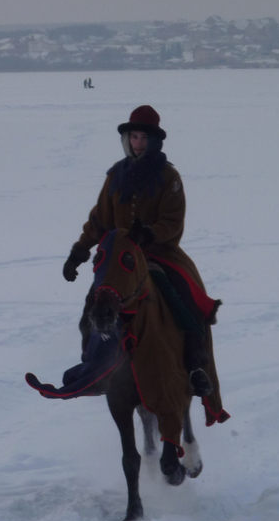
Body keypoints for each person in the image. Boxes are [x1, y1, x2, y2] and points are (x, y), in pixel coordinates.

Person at [62, 105, 228, 423]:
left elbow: (173, 221)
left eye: (143, 138)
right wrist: (79, 252)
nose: (138, 143)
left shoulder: (169, 177)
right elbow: (99, 220)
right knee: (92, 306)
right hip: (120, 257)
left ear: (154, 141)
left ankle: (196, 366)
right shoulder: (115, 176)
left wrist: (150, 233)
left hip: (159, 253)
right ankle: (94, 366)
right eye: (133, 137)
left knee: (185, 300)